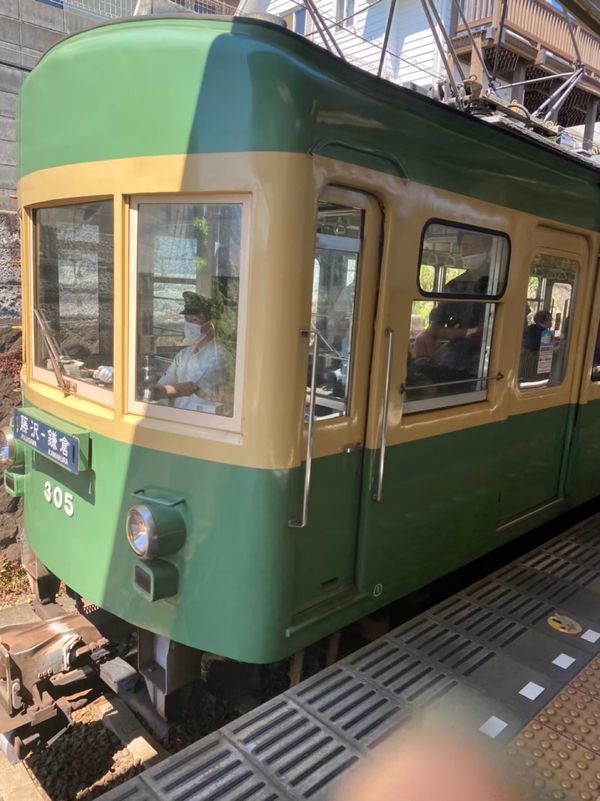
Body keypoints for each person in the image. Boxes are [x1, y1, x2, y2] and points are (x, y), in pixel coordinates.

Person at [153, 291, 232, 414]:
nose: (189, 325)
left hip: (203, 424)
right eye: (187, 320)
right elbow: (164, 383)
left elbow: (195, 387)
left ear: (212, 324)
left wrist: (158, 392)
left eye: (194, 320)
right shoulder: (183, 355)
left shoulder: (219, 356)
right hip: (179, 419)